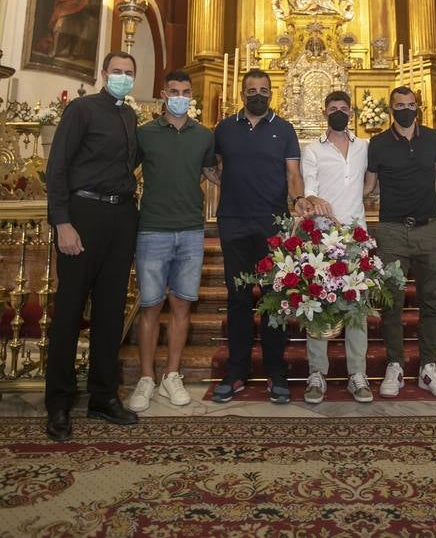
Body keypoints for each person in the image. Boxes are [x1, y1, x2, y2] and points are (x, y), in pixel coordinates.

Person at [44, 52, 140, 441]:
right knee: (68, 313)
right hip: (82, 216)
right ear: (103, 74)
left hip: (121, 218)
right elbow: (58, 167)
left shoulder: (131, 116)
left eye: (129, 73)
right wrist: (62, 221)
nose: (122, 77)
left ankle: (103, 397)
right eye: (116, 71)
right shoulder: (81, 110)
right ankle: (59, 404)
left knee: (111, 312)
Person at [213, 69, 310, 403]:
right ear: (242, 93)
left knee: (273, 300)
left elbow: (293, 173)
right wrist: (229, 184)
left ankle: (276, 373)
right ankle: (237, 371)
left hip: (272, 224)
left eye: (264, 90)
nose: (258, 94)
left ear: (272, 94)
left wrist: (297, 201)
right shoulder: (224, 128)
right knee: (238, 299)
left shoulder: (284, 129)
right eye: (251, 89)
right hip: (234, 223)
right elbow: (213, 167)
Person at [127, 70, 220, 413]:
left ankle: (171, 375)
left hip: (191, 230)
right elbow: (123, 172)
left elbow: (213, 174)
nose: (180, 96)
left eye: (185, 91)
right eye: (174, 91)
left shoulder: (203, 136)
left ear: (191, 96)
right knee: (150, 306)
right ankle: (146, 378)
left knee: (182, 305)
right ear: (164, 95)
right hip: (153, 229)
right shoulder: (144, 134)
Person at [365, 86, 436, 399]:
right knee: (393, 302)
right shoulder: (377, 143)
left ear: (419, 106)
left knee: (430, 301)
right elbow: (369, 185)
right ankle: (395, 365)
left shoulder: (432, 138)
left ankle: (429, 366)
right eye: (400, 105)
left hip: (428, 229)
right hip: (391, 230)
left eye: (411, 104)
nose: (406, 109)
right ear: (391, 109)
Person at [301, 90, 372, 404]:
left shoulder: (365, 148)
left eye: (344, 108)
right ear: (324, 112)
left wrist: (357, 203)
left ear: (352, 112)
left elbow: (370, 182)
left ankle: (357, 373)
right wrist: (318, 206)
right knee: (319, 304)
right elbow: (310, 190)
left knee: (357, 306)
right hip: (322, 236)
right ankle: (317, 372)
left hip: (357, 235)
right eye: (333, 109)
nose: (339, 113)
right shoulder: (312, 150)